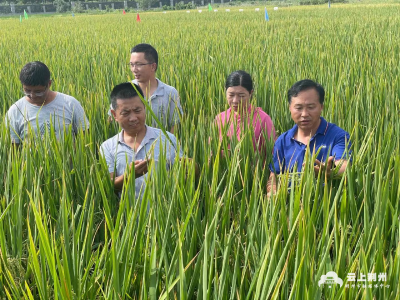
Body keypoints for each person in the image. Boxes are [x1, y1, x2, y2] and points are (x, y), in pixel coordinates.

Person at [267, 79, 352, 196]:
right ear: (290, 108)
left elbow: (344, 165)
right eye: (298, 108)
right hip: (290, 207)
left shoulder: (338, 136)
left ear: (321, 107)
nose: (304, 114)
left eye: (311, 107)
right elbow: (274, 175)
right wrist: (272, 192)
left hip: (326, 208)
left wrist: (330, 173)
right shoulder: (283, 141)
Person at [101, 82, 183, 199]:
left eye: (137, 110)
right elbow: (108, 185)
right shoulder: (107, 147)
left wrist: (191, 167)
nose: (133, 118)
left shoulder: (167, 138)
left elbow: (184, 175)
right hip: (126, 216)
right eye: (126, 113)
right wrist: (130, 175)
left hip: (165, 214)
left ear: (145, 107)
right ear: (115, 115)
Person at [5, 61, 89, 144]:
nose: (32, 95)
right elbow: (13, 150)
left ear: (49, 84)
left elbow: (86, 138)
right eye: (27, 90)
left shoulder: (70, 104)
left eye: (38, 91)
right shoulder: (15, 111)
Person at [108, 43, 183, 133]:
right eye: (131, 65)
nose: (134, 69)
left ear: (153, 66)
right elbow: (111, 121)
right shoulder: (124, 90)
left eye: (139, 64)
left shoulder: (170, 93)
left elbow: (175, 126)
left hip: (159, 145)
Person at [214, 70, 275, 155]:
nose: (235, 101)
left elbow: (272, 154)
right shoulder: (220, 118)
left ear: (250, 93)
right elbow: (212, 149)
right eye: (231, 95)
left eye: (241, 96)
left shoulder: (263, 119)